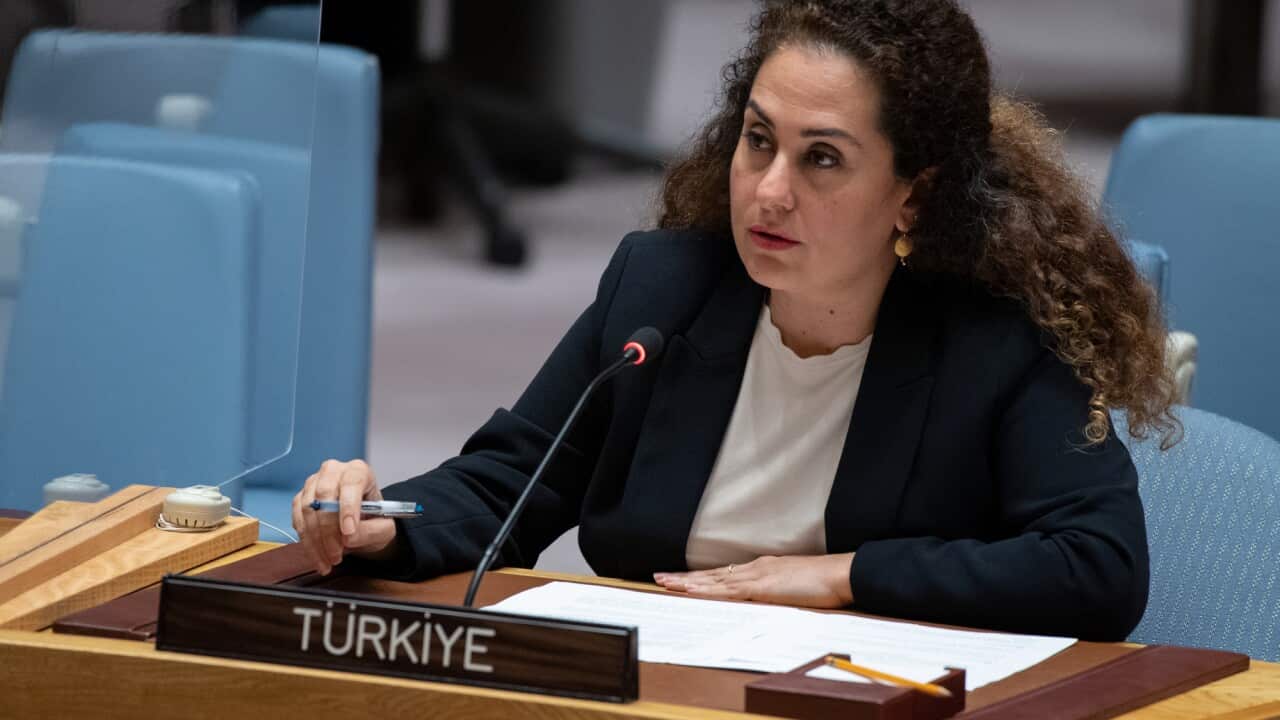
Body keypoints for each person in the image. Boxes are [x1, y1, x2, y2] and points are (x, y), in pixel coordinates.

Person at [292, 0, 1179, 641]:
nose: (768, 190)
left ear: (915, 194)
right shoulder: (665, 291)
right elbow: (507, 483)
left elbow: (1095, 566)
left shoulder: (993, 339)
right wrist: (386, 522)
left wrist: (840, 578)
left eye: (821, 158)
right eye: (759, 140)